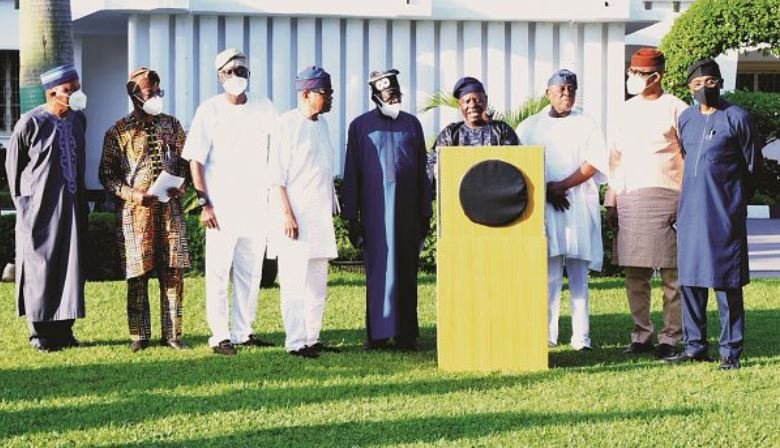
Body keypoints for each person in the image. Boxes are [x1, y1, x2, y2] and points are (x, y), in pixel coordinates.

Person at [664, 59, 759, 370]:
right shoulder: (686, 119)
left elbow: (751, 170)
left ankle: (730, 350)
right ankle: (695, 346)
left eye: (709, 83)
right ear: (689, 88)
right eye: (696, 84)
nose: (703, 89)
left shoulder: (737, 118)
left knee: (726, 282)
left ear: (719, 83)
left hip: (724, 214)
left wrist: (733, 203)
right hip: (690, 212)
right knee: (690, 280)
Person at [182, 48, 278, 355]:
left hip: (256, 205)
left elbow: (276, 151)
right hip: (221, 207)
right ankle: (219, 335)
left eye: (241, 71)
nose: (236, 77)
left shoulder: (265, 107)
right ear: (220, 75)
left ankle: (243, 331)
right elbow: (195, 160)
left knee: (251, 273)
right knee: (219, 272)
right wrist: (204, 202)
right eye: (230, 72)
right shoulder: (209, 110)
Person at [516, 69, 608, 351]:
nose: (566, 94)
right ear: (548, 93)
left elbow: (594, 162)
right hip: (545, 208)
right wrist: (547, 190)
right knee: (549, 275)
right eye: (561, 89)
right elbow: (519, 163)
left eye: (571, 89)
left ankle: (581, 337)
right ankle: (547, 334)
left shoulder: (587, 124)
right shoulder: (530, 126)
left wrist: (562, 186)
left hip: (577, 205)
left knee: (579, 276)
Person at [100, 67, 191, 352]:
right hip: (135, 213)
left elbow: (187, 162)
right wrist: (134, 195)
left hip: (170, 210)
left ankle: (173, 334)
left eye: (158, 91)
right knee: (138, 274)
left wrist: (183, 183)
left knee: (173, 272)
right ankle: (139, 335)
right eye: (150, 92)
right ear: (134, 94)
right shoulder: (118, 131)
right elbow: (107, 175)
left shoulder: (173, 126)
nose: (155, 96)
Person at [342, 69, 433, 350]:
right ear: (375, 96)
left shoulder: (413, 125)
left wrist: (425, 212)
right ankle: (379, 335)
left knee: (406, 270)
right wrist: (351, 217)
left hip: (407, 214)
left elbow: (422, 172)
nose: (394, 99)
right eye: (388, 95)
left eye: (396, 94)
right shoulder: (360, 127)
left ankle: (406, 334)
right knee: (379, 272)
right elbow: (352, 173)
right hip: (374, 213)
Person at [606, 49, 688, 359]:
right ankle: (641, 334)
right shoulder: (624, 111)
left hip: (670, 199)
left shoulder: (677, 109)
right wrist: (611, 201)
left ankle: (670, 337)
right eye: (632, 71)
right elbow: (615, 160)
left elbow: (689, 156)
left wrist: (687, 202)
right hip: (630, 200)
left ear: (658, 76)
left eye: (640, 73)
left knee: (672, 275)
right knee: (635, 275)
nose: (634, 77)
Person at [6, 63, 88, 351]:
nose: (75, 94)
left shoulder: (79, 120)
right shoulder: (29, 123)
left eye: (77, 88)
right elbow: (14, 171)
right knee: (40, 267)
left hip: (71, 207)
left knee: (69, 266)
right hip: (38, 210)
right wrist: (26, 208)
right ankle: (40, 334)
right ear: (52, 91)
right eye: (69, 90)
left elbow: (79, 164)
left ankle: (65, 331)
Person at [270, 66, 340, 359]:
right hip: (295, 218)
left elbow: (322, 169)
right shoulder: (286, 124)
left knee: (317, 282)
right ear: (306, 94)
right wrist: (286, 214)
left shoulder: (321, 125)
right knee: (295, 283)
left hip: (320, 216)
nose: (330, 98)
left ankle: (312, 337)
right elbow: (276, 177)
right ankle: (295, 341)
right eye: (325, 93)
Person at [427, 76, 520, 179]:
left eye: (477, 100)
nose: (473, 105)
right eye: (467, 101)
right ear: (460, 105)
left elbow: (514, 161)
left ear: (486, 100)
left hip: (496, 191)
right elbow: (433, 165)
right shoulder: (451, 133)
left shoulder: (502, 131)